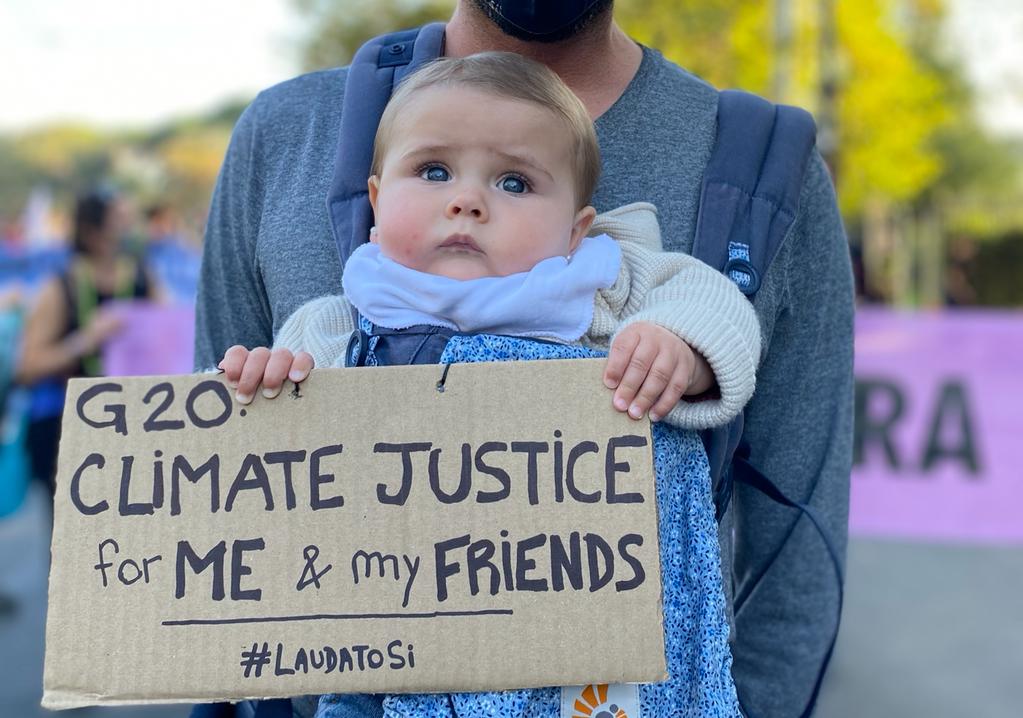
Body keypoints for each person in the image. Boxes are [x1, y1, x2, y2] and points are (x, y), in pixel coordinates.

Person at [195, 3, 854, 715]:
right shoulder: (313, 217)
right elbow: (218, 489)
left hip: (591, 676)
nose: (468, 203)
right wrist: (260, 388)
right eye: (434, 172)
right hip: (376, 662)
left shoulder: (627, 263)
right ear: (376, 200)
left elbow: (793, 549)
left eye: (514, 183)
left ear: (579, 229)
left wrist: (680, 351)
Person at [16, 190, 155, 494]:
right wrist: (86, 340)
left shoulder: (143, 277)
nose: (128, 227)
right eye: (119, 220)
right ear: (92, 232)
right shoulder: (60, 286)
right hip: (68, 432)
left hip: (134, 426)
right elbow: (27, 367)